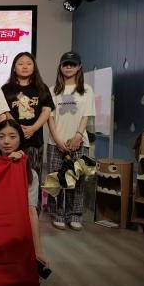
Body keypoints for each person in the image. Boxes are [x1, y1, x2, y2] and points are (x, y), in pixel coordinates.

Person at [0, 119, 50, 278]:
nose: (6, 141)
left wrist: (38, 250)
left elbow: (31, 211)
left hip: (12, 229)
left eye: (12, 136)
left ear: (20, 140)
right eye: (1, 136)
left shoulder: (30, 174)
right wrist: (6, 163)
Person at [47, 52, 95, 231]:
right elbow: (50, 118)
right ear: (60, 67)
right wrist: (58, 140)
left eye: (72, 64)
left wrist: (78, 136)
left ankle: (75, 216)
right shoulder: (52, 90)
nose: (68, 67)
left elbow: (86, 116)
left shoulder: (87, 90)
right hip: (55, 143)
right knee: (57, 180)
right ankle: (58, 214)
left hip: (79, 142)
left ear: (79, 67)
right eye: (65, 64)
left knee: (78, 180)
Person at [2, 52, 54, 202]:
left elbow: (47, 110)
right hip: (13, 143)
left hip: (35, 141)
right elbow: (5, 111)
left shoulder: (41, 87)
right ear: (14, 68)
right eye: (20, 63)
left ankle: (32, 210)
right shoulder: (6, 89)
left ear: (34, 67)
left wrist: (33, 128)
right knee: (12, 179)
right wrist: (18, 129)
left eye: (29, 63)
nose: (24, 66)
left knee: (33, 178)